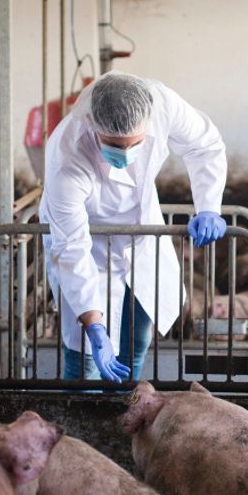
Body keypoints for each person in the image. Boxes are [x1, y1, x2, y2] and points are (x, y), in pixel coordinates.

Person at [38, 72, 228, 383]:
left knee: (137, 341)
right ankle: (80, 419)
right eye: (114, 145)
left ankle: (125, 412)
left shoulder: (162, 104)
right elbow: (71, 248)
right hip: (88, 242)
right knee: (85, 354)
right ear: (93, 127)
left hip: (143, 238)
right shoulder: (67, 157)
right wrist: (94, 326)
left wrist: (208, 206)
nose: (125, 153)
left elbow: (205, 145)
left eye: (136, 143)